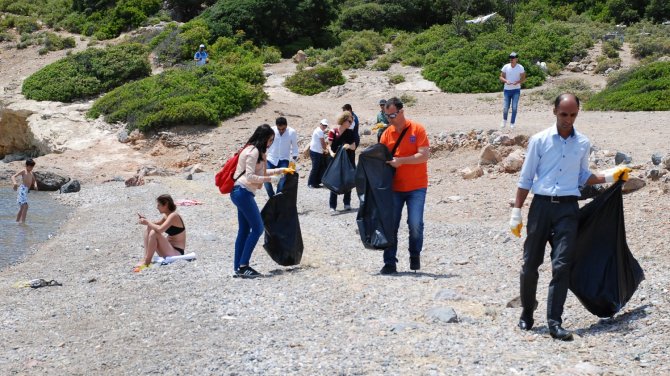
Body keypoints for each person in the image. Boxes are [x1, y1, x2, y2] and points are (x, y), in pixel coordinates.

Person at [510, 93, 632, 341]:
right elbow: (526, 178)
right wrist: (517, 211)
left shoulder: (583, 143)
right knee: (530, 263)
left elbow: (582, 177)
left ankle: (555, 322)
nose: (568, 119)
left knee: (562, 265)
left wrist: (611, 176)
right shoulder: (539, 140)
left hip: (567, 209)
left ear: (578, 113)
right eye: (564, 114)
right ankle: (527, 312)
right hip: (541, 207)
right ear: (554, 111)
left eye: (573, 114)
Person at [231, 124, 294, 278]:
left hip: (242, 192)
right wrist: (271, 179)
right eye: (270, 140)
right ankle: (244, 265)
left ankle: (238, 268)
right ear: (264, 138)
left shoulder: (256, 151)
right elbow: (251, 177)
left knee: (244, 230)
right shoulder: (252, 152)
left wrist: (281, 170)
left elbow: (262, 172)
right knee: (258, 228)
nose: (270, 143)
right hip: (243, 192)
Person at [379, 97, 430, 274]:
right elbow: (381, 159)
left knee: (415, 224)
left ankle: (414, 255)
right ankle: (389, 263)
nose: (389, 119)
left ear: (401, 111)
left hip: (417, 186)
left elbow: (424, 155)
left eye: (392, 115)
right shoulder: (386, 134)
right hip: (394, 188)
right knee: (390, 225)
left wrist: (402, 161)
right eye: (386, 116)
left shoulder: (418, 129)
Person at [136, 194, 186, 270]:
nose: (157, 207)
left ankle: (147, 261)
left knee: (154, 233)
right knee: (150, 227)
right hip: (168, 249)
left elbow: (160, 230)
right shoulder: (167, 216)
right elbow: (155, 224)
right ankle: (145, 258)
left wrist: (148, 222)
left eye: (159, 205)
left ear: (165, 204)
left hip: (176, 253)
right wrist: (145, 220)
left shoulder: (174, 216)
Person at [327, 111, 357, 214]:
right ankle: (332, 206)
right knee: (334, 181)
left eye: (351, 121)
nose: (350, 123)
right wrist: (331, 152)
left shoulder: (350, 132)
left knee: (348, 180)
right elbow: (328, 145)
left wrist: (349, 146)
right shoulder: (333, 131)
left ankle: (347, 203)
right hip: (335, 160)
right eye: (349, 121)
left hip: (348, 160)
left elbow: (354, 146)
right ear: (343, 120)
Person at [264, 117, 299, 197]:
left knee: (282, 180)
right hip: (271, 158)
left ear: (286, 125)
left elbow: (294, 147)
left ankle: (277, 198)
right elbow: (266, 143)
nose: (281, 131)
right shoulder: (271, 130)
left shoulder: (292, 132)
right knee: (265, 178)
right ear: (276, 126)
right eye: (279, 129)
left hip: (284, 159)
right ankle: (271, 197)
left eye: (283, 129)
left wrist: (293, 160)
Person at [499, 52, 526, 129]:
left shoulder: (520, 67)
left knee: (514, 107)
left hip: (516, 90)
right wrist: (506, 81)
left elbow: (523, 78)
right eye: (510, 58)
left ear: (516, 59)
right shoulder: (506, 67)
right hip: (507, 90)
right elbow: (501, 77)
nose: (511, 59)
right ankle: (504, 121)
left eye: (513, 58)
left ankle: (512, 123)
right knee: (505, 107)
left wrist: (518, 82)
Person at [12, 158, 38, 223]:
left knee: (22, 208)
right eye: (30, 167)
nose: (31, 168)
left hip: (26, 191)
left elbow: (34, 180)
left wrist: (35, 185)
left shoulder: (31, 173)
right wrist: (15, 183)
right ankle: (23, 223)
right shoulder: (24, 171)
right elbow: (13, 176)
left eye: (32, 167)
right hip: (22, 189)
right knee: (25, 206)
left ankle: (17, 221)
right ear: (26, 165)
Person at [308, 118, 329, 188]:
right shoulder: (319, 131)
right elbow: (322, 143)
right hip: (315, 152)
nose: (324, 126)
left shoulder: (319, 130)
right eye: (323, 125)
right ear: (320, 124)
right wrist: (326, 149)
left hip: (316, 151)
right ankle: (310, 183)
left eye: (325, 125)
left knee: (318, 167)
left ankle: (315, 182)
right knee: (315, 168)